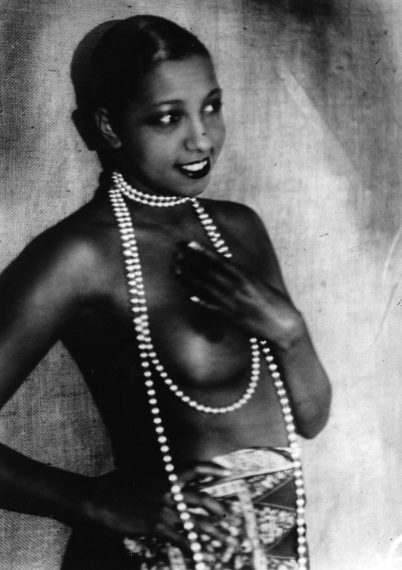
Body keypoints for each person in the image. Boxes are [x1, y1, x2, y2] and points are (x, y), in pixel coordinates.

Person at [0, 14, 331, 570]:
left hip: (271, 555)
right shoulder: (81, 254)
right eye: (168, 117)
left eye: (211, 106)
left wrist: (290, 333)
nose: (201, 137)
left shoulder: (239, 228)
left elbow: (311, 419)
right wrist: (94, 502)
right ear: (109, 128)